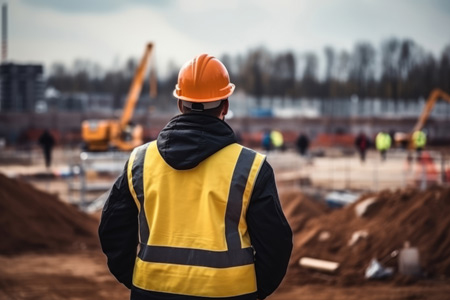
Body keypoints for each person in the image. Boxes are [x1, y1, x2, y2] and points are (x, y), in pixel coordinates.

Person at [99, 53, 293, 300]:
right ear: (225, 105)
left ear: (180, 104)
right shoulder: (251, 167)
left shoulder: (140, 162)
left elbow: (111, 230)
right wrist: (252, 291)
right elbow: (276, 245)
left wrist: (138, 280)